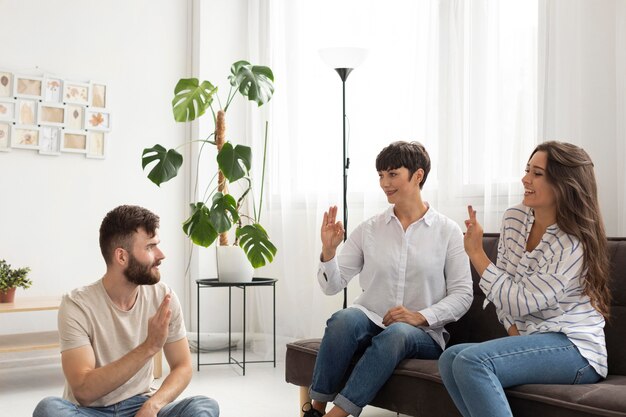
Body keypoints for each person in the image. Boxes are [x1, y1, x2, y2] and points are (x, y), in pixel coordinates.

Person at [438, 141, 611, 417]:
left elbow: (522, 300)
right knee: (450, 358)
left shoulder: (572, 243)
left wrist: (477, 254)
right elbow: (504, 293)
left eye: (537, 174)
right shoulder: (514, 219)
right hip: (530, 338)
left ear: (564, 184)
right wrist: (514, 335)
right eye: (527, 170)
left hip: (575, 349)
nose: (525, 179)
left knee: (472, 361)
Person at [303, 141, 473, 417]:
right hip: (372, 317)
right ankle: (315, 409)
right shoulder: (369, 229)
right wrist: (329, 252)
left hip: (422, 334)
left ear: (418, 175)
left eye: (392, 174)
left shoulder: (448, 231)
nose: (384, 183)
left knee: (396, 334)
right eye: (381, 175)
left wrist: (420, 316)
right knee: (343, 320)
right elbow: (332, 286)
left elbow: (463, 294)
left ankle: (338, 415)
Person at [33, 205, 219, 417]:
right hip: (90, 411)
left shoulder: (163, 297)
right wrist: (150, 346)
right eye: (150, 247)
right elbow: (84, 391)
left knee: (203, 406)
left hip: (140, 406)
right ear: (121, 257)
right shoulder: (77, 305)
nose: (161, 255)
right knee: (49, 409)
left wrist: (153, 406)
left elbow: (183, 366)